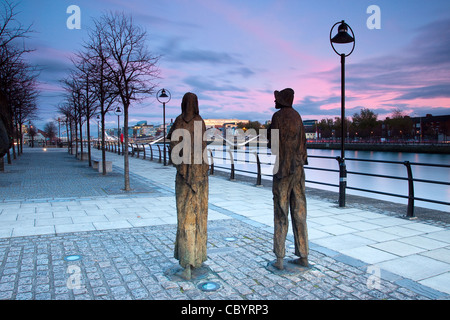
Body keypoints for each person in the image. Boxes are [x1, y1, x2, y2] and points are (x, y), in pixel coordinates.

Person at [167, 92, 209, 280]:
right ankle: (196, 258)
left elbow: (172, 147)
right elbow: (204, 146)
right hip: (200, 177)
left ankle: (186, 262)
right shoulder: (200, 121)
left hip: (183, 176)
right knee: (199, 215)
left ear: (183, 104)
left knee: (183, 217)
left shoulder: (178, 121)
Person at [268, 88, 309, 270]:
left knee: (281, 211)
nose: (274, 101)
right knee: (300, 211)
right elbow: (303, 143)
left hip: (283, 170)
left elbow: (273, 145)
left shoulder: (278, 117)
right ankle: (304, 255)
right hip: (298, 169)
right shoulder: (297, 116)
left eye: (276, 99)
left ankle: (280, 258)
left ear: (282, 100)